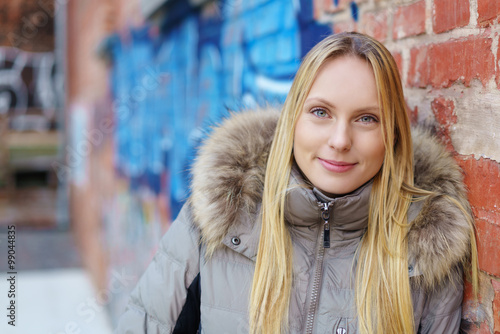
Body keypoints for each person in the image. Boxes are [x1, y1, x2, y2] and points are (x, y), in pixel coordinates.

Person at [115, 32, 478, 334]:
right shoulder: (219, 217)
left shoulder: (427, 251)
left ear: (393, 135)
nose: (340, 140)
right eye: (321, 112)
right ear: (294, 119)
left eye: (366, 119)